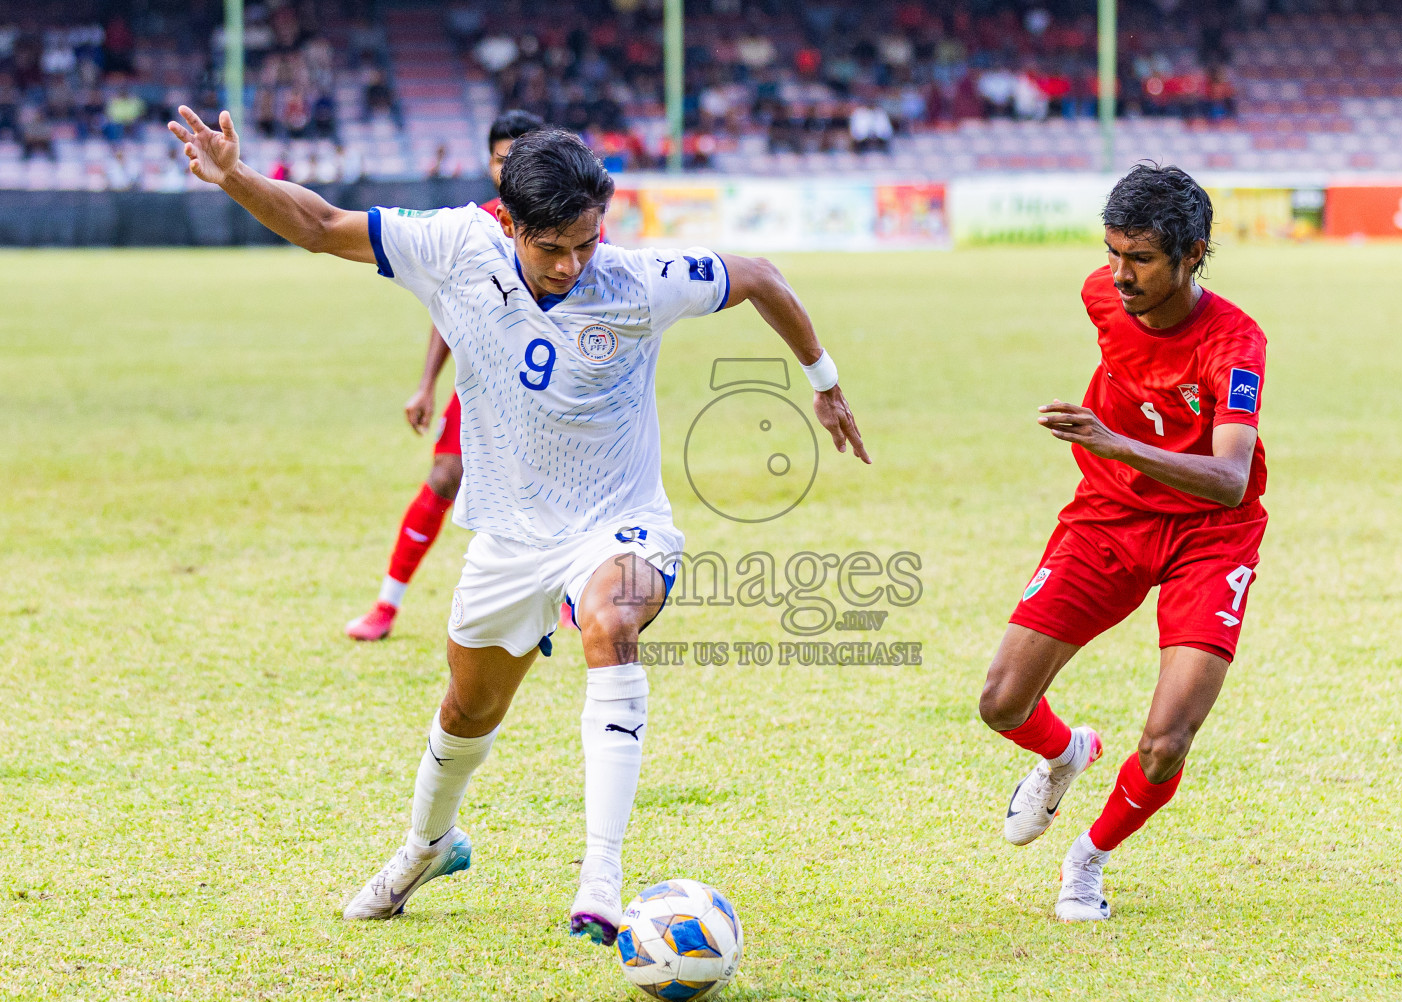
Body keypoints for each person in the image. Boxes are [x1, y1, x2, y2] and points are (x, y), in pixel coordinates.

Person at [166, 107, 870, 942]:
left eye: (588, 240)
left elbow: (757, 274)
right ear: (508, 223)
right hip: (508, 538)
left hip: (621, 522)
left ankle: (600, 877)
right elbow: (321, 227)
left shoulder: (638, 279)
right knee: (466, 712)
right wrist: (234, 176)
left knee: (610, 623)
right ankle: (428, 845)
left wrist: (824, 381)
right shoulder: (455, 246)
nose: (576, 263)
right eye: (554, 248)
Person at [977, 163, 1268, 922]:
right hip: (1107, 517)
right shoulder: (1100, 295)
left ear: (1192, 254)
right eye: (1113, 252)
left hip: (1210, 534)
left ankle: (1088, 860)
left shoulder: (1235, 343)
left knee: (1167, 738)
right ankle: (1065, 752)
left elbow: (1231, 479)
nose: (1120, 274)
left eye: (1140, 258)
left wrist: (1115, 440)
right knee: (1002, 702)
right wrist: (1113, 453)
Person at [346, 109, 546, 642]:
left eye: (524, 154)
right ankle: (386, 606)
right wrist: (426, 384)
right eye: (505, 158)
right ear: (490, 162)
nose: (513, 167)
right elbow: (448, 310)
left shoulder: (564, 219)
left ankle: (567, 600)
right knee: (444, 477)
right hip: (482, 383)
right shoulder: (476, 225)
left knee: (551, 485)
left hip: (550, 387)